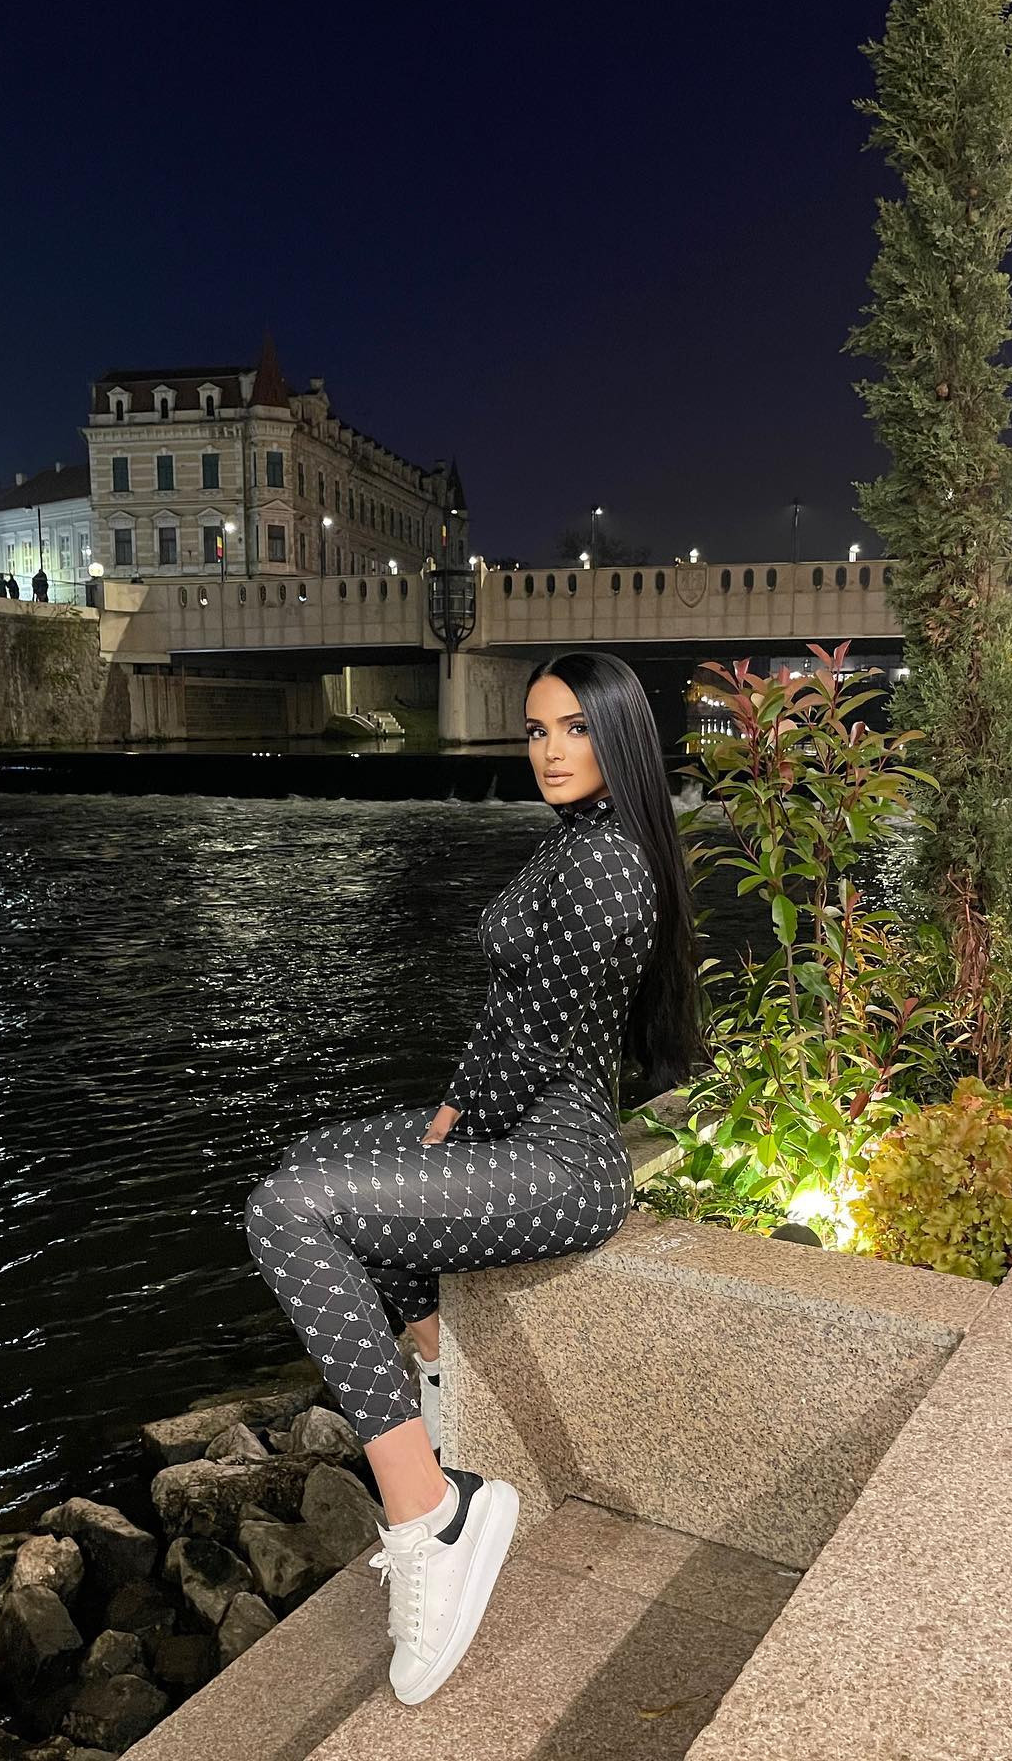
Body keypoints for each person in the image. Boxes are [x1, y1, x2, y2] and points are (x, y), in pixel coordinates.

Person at [244, 650, 705, 1705]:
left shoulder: (607, 863)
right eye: (537, 730)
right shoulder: (579, 841)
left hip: (560, 1159)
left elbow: (534, 1044)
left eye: (576, 728)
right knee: (311, 1162)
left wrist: (448, 1130)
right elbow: (508, 1019)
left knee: (289, 1212)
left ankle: (431, 1514)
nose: (551, 751)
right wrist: (446, 1118)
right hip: (518, 1126)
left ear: (621, 735)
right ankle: (441, 1371)